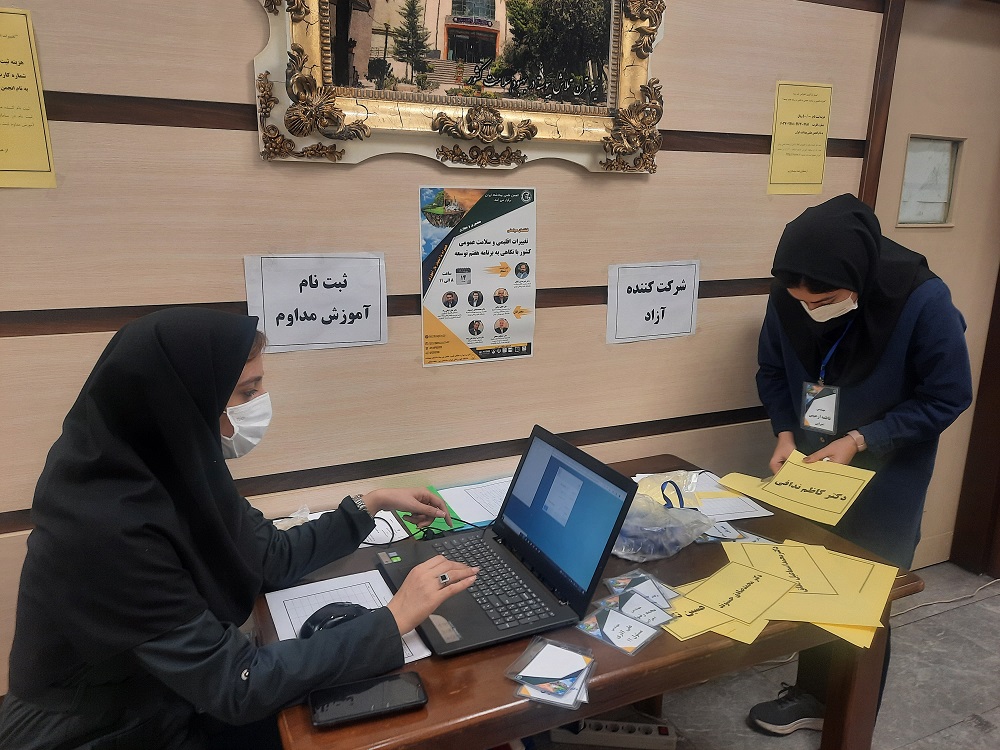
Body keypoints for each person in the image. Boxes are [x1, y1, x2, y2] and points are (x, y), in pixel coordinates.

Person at [0, 308, 478, 750]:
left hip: (170, 693)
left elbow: (269, 555)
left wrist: (368, 505)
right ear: (184, 400)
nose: (259, 405)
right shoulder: (105, 524)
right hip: (102, 728)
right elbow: (236, 685)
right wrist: (393, 619)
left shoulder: (171, 465)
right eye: (248, 392)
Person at [749, 194, 973, 736]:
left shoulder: (923, 301)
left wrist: (862, 438)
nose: (811, 310)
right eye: (800, 301)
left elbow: (947, 394)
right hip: (811, 465)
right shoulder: (790, 293)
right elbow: (772, 369)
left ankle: (851, 714)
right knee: (810, 573)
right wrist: (785, 431)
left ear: (859, 275)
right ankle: (812, 693)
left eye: (826, 300)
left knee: (867, 589)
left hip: (886, 473)